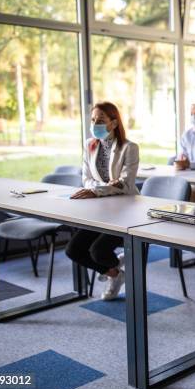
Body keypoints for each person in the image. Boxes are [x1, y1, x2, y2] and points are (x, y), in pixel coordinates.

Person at [65, 102, 140, 300]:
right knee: (73, 250)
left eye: (100, 120)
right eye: (93, 120)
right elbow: (86, 178)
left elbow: (125, 183)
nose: (95, 124)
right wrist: (103, 188)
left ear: (114, 123)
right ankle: (116, 274)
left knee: (98, 251)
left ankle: (114, 267)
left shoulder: (129, 148)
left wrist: (99, 189)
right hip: (100, 209)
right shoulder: (89, 144)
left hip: (126, 211)